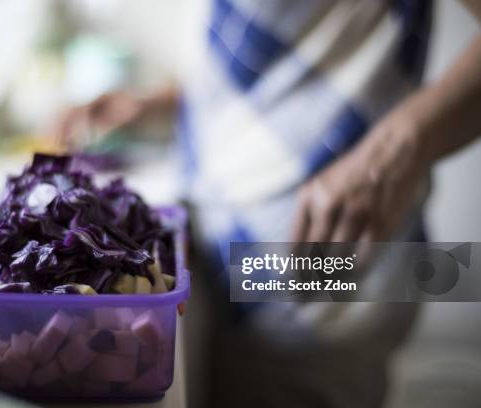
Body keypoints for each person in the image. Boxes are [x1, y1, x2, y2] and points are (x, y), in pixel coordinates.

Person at [57, 1, 481, 407]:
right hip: (233, 268)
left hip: (323, 274)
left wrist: (392, 152)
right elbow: (284, 65)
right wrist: (155, 105)